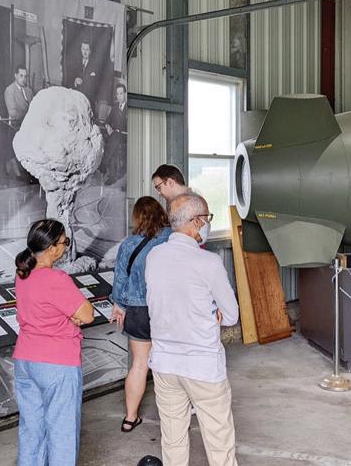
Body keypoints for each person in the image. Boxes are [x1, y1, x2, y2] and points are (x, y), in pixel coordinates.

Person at [146, 193, 239, 466]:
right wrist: (212, 313)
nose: (208, 224)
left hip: (164, 363)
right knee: (219, 441)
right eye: (207, 218)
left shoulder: (154, 256)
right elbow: (231, 315)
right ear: (196, 221)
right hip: (203, 365)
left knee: (172, 438)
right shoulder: (208, 262)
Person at [14, 219, 95, 465]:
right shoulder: (56, 278)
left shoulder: (22, 275)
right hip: (57, 364)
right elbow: (87, 315)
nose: (66, 246)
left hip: (25, 360)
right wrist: (70, 316)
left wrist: (69, 314)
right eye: (64, 242)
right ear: (52, 249)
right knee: (62, 431)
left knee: (31, 430)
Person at [110, 197, 172, 432]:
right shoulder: (173, 238)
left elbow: (120, 278)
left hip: (137, 310)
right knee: (171, 363)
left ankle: (130, 418)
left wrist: (119, 304)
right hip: (168, 308)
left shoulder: (129, 244)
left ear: (137, 217)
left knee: (139, 364)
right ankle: (174, 419)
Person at [101, 83, 127, 184]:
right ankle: (112, 175)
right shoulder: (115, 107)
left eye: (121, 93)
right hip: (115, 135)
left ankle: (103, 164)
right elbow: (107, 121)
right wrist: (108, 126)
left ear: (125, 94)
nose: (119, 96)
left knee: (114, 139)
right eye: (117, 94)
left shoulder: (129, 108)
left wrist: (116, 131)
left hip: (126, 135)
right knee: (113, 140)